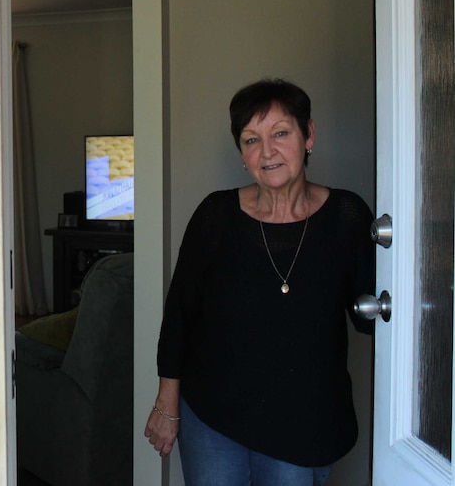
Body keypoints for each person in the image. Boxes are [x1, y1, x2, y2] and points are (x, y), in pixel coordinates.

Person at [143, 79, 374, 485]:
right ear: (242, 154)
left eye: (280, 133)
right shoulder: (215, 216)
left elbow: (372, 313)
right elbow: (180, 315)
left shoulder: (347, 217)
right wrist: (167, 403)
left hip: (305, 422)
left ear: (309, 135)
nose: (267, 152)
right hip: (212, 416)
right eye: (252, 140)